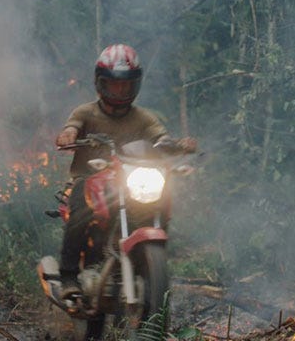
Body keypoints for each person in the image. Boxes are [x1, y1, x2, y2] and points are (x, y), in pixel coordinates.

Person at [54, 43, 196, 299]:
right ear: (100, 83)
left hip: (128, 180)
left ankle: (148, 266)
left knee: (160, 200)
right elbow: (73, 127)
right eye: (114, 84)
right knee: (80, 208)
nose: (120, 90)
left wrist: (177, 145)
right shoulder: (86, 112)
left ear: (135, 85)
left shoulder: (144, 117)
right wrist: (68, 135)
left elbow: (160, 137)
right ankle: (68, 276)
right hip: (89, 179)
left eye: (126, 85)